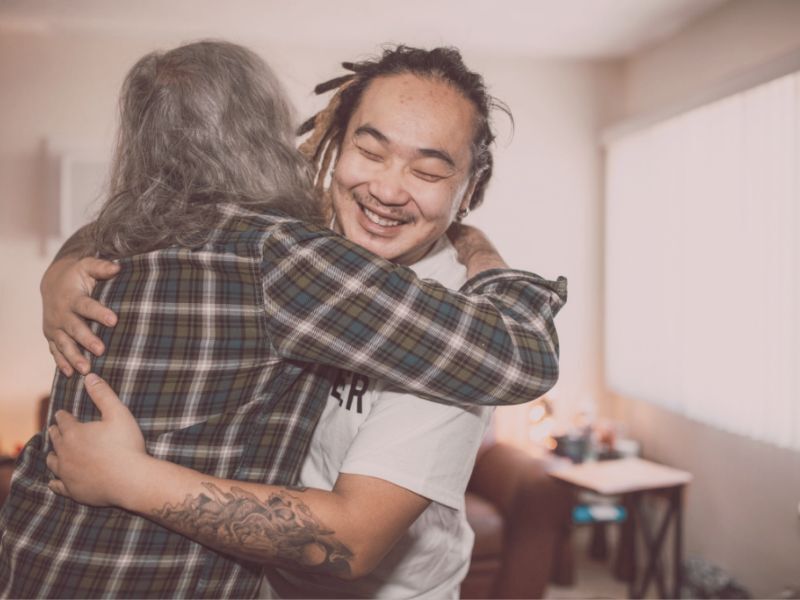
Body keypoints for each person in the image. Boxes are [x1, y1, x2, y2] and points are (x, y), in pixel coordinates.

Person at [16, 44, 567, 599]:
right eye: (370, 152)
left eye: (427, 171)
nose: (388, 189)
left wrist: (130, 479)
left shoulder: (462, 335)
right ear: (332, 142)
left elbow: (352, 539)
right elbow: (174, 206)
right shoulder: (303, 236)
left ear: (468, 188)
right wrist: (64, 267)